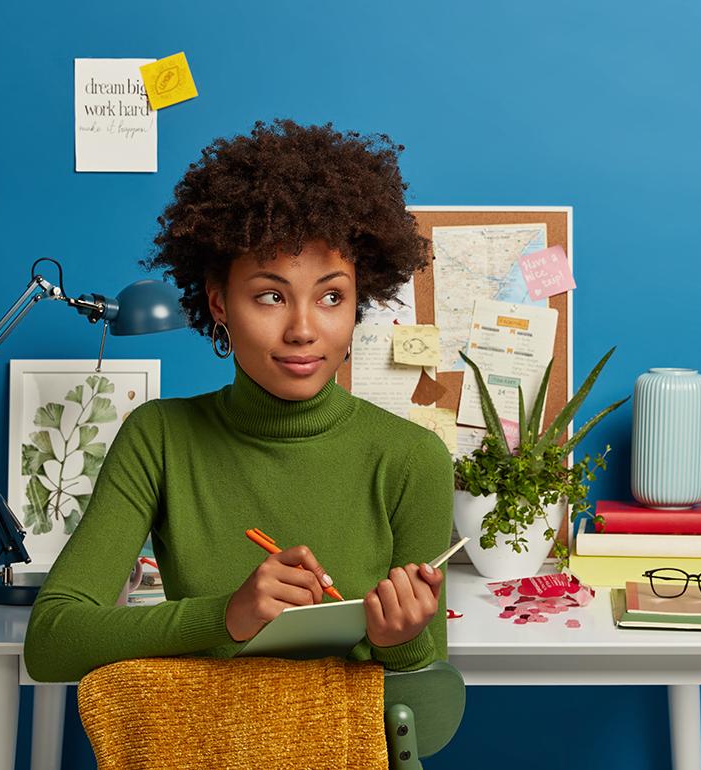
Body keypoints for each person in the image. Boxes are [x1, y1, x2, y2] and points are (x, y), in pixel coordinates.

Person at [24, 119, 453, 683]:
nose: (303, 330)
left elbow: (426, 698)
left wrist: (398, 640)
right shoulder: (160, 438)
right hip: (200, 732)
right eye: (271, 296)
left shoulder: (413, 458)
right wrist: (228, 615)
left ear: (357, 304)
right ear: (219, 303)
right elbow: (51, 643)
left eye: (331, 296)